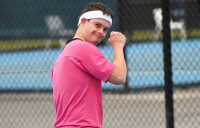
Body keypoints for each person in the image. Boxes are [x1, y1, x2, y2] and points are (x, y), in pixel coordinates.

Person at [51, 2, 127, 128]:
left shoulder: (64, 55)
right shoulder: (83, 48)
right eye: (97, 25)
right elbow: (119, 77)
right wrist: (118, 46)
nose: (101, 32)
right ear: (84, 21)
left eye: (105, 29)